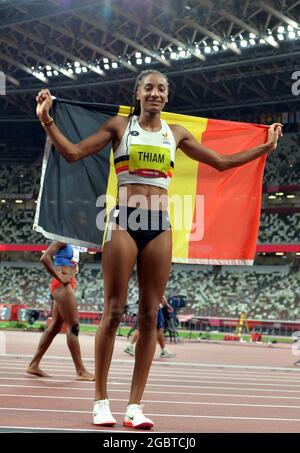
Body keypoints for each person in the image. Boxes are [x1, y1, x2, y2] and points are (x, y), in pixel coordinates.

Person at [35, 69, 282, 429]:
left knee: (150, 316)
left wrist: (265, 147)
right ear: (138, 93)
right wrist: (47, 120)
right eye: (148, 87)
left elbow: (221, 162)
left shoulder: (176, 133)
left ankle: (135, 406)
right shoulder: (120, 126)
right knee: (114, 311)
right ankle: (101, 401)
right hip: (123, 220)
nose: (155, 93)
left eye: (161, 89)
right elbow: (73, 153)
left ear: (167, 97)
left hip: (160, 225)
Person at [26, 242, 94, 381]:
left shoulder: (73, 241)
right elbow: (45, 258)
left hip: (67, 282)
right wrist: (60, 277)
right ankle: (81, 371)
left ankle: (34, 365)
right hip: (63, 284)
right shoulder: (61, 239)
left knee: (56, 325)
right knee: (73, 326)